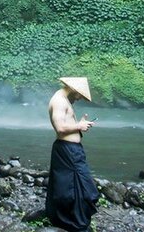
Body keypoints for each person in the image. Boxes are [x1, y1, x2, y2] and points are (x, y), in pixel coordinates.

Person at [45, 76, 100, 232]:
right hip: (68, 150)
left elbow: (67, 125)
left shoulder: (63, 99)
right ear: (74, 89)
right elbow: (60, 128)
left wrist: (79, 125)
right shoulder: (59, 101)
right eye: (79, 95)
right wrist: (79, 126)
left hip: (69, 149)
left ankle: (67, 219)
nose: (79, 98)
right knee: (79, 185)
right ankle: (74, 222)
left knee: (69, 185)